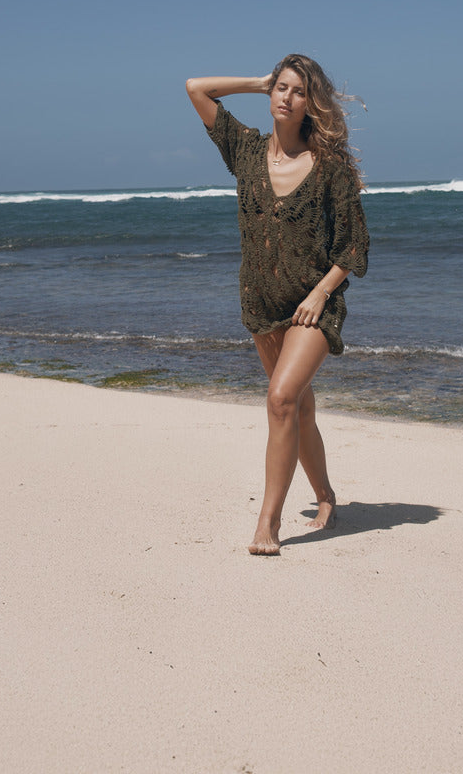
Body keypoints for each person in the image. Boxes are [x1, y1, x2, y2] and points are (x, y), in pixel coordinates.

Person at [186, 54, 369, 555]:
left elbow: (353, 247)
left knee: (282, 400)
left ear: (312, 103)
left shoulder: (329, 168)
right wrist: (258, 81)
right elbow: (196, 88)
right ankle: (326, 496)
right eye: (281, 88)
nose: (287, 97)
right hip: (260, 304)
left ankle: (267, 522)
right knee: (299, 409)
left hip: (312, 306)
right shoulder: (245, 150)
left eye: (298, 91)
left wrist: (320, 293)